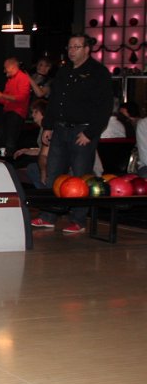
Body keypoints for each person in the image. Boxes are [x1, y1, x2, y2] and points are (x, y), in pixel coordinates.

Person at [31, 35, 113, 234]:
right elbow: (54, 101)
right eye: (69, 47)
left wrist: (90, 132)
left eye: (76, 47)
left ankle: (78, 220)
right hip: (60, 128)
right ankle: (48, 216)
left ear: (87, 49)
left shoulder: (98, 72)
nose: (72, 51)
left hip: (82, 130)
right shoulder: (64, 71)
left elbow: (105, 107)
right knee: (53, 172)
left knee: (80, 175)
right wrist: (48, 126)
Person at [13, 98, 49, 188]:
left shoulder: (48, 130)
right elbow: (42, 150)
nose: (32, 115)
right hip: (46, 161)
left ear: (43, 113)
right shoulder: (42, 128)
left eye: (36, 112)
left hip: (51, 163)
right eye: (32, 112)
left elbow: (47, 152)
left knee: (31, 168)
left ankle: (43, 190)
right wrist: (25, 150)